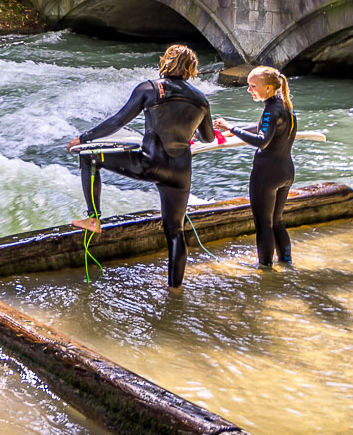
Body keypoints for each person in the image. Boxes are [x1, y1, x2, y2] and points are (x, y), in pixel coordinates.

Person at [65, 44, 215, 289]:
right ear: (191, 69)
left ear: (165, 62)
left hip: (150, 163)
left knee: (89, 157)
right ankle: (174, 288)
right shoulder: (201, 99)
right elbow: (207, 137)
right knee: (176, 231)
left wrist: (84, 138)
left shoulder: (150, 88)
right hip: (180, 173)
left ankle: (94, 219)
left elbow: (117, 121)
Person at [215, 67, 296, 267]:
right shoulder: (285, 105)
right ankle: (286, 263)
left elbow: (262, 140)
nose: (249, 90)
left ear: (268, 88)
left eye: (253, 86)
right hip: (285, 172)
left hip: (266, 175)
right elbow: (265, 128)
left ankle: (265, 270)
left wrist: (231, 128)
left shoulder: (271, 109)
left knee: (263, 225)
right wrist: (236, 131)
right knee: (277, 221)